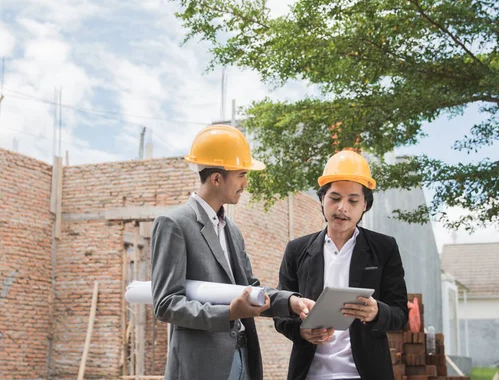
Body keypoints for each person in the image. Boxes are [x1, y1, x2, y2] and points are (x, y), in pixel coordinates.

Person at [151, 124, 313, 380]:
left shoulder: (232, 230)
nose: (245, 183)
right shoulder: (174, 224)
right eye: (241, 175)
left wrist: (290, 302)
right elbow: (166, 304)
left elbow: (250, 289)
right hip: (202, 368)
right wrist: (228, 314)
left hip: (243, 359)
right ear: (216, 178)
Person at [274, 150, 408, 380]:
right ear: (322, 199)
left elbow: (400, 314)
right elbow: (280, 312)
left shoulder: (384, 248)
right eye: (334, 198)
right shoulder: (297, 250)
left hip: (365, 373)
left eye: (353, 200)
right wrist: (301, 331)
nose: (342, 208)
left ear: (365, 204)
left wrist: (377, 312)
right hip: (310, 374)